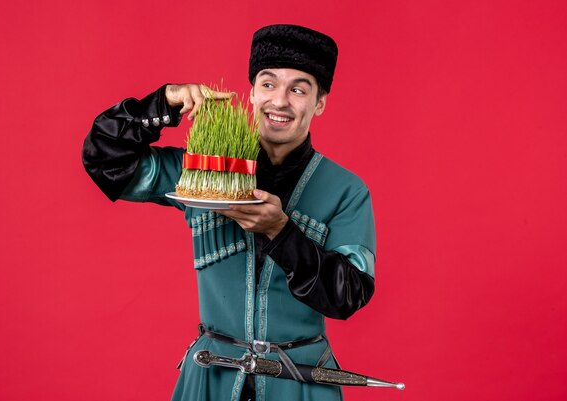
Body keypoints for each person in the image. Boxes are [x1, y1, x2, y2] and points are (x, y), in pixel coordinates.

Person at [82, 24, 376, 401]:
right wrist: (163, 103)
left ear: (319, 103)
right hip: (209, 378)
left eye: (298, 89)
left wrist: (281, 232)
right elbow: (104, 159)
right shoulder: (204, 168)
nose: (280, 101)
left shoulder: (347, 191)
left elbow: (348, 295)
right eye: (268, 84)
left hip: (301, 384)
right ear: (252, 92)